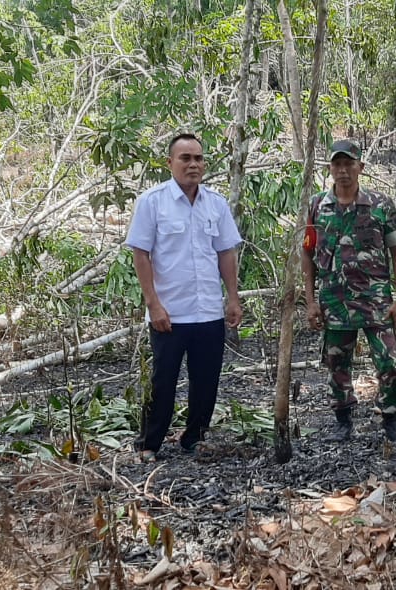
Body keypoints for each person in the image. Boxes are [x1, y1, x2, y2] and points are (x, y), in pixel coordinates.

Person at [126, 133, 243, 461]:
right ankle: (150, 443)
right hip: (170, 313)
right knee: (163, 380)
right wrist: (153, 304)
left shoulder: (215, 204)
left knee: (206, 381)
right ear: (170, 163)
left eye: (198, 159)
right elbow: (141, 254)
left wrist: (233, 298)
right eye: (185, 158)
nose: (193, 164)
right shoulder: (153, 202)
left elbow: (225, 253)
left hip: (207, 311)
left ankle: (195, 437)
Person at [301, 139, 396, 442]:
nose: (343, 170)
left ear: (361, 167)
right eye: (337, 164)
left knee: (389, 361)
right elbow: (307, 255)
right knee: (337, 362)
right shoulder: (316, 206)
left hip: (376, 302)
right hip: (334, 303)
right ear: (330, 169)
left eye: (349, 164)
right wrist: (310, 302)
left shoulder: (381, 205)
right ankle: (343, 418)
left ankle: (391, 418)